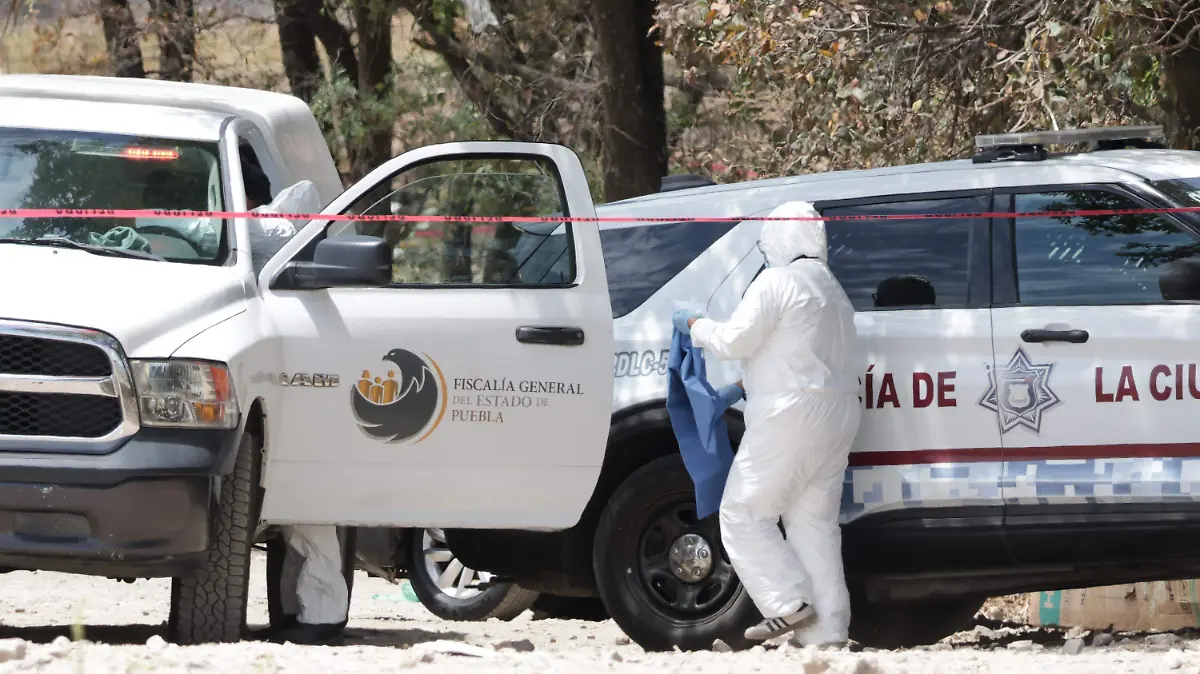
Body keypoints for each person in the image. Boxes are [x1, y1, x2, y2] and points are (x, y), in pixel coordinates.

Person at [672, 200, 864, 645]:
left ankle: (787, 604)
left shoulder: (776, 281)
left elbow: (734, 340)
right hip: (838, 414)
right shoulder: (833, 289)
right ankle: (828, 633)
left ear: (779, 238)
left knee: (743, 514)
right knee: (813, 524)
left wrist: (694, 324)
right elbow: (801, 353)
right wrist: (742, 387)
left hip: (789, 415)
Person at [240, 162, 350, 645]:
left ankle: (319, 616)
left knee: (306, 506)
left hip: (300, 382)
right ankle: (302, 615)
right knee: (300, 511)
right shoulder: (271, 227)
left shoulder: (264, 228)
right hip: (288, 380)